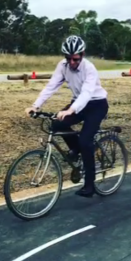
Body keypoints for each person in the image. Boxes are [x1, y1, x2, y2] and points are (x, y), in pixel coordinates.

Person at [25, 35, 108, 198]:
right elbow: (51, 86)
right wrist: (36, 105)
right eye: (68, 58)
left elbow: (87, 93)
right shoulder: (63, 66)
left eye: (75, 59)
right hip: (78, 102)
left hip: (96, 104)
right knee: (56, 124)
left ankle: (89, 185)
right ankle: (76, 149)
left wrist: (71, 110)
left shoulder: (89, 68)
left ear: (82, 54)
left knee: (85, 140)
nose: (71, 63)